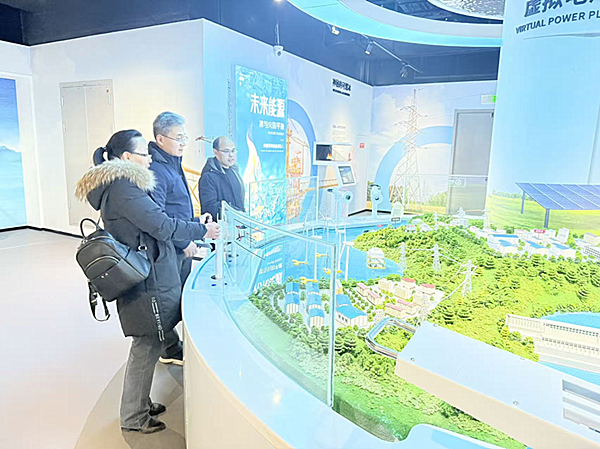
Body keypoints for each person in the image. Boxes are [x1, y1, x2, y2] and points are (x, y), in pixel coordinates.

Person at [75, 130, 220, 434]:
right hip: (146, 281)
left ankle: (139, 403)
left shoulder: (122, 186)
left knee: (150, 341)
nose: (150, 158)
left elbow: (155, 222)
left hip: (147, 273)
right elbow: (161, 225)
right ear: (127, 157)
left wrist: (192, 227)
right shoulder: (123, 189)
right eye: (144, 153)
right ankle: (134, 417)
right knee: (146, 344)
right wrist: (201, 231)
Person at [199, 136, 245, 221]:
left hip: (239, 223)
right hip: (221, 226)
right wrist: (235, 213)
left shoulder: (234, 170)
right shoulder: (208, 176)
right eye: (226, 151)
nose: (231, 155)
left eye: (233, 150)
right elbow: (209, 207)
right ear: (215, 152)